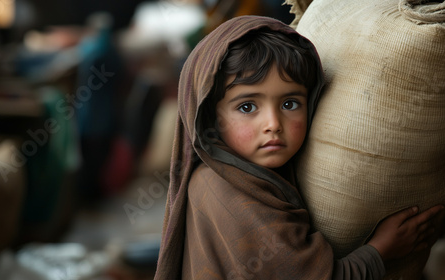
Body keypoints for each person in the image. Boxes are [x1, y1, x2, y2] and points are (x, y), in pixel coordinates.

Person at [154, 15, 444, 280]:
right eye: (247, 106)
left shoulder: (248, 175)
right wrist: (380, 250)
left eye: (290, 104)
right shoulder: (229, 192)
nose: (273, 123)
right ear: (210, 118)